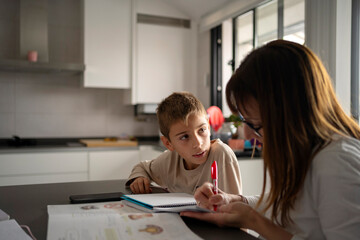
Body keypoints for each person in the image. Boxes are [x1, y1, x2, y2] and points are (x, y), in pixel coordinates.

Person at [181, 40, 360, 240]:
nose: (249, 136)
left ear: (293, 114)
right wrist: (234, 201)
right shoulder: (306, 153)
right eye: (245, 122)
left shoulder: (336, 164)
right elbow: (291, 206)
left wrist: (254, 221)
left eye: (257, 125)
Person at [126, 91, 242, 195]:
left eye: (202, 130)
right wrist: (140, 178)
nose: (198, 143)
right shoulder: (171, 160)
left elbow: (235, 210)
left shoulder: (220, 154)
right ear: (168, 144)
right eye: (185, 137)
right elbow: (142, 167)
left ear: (208, 125)